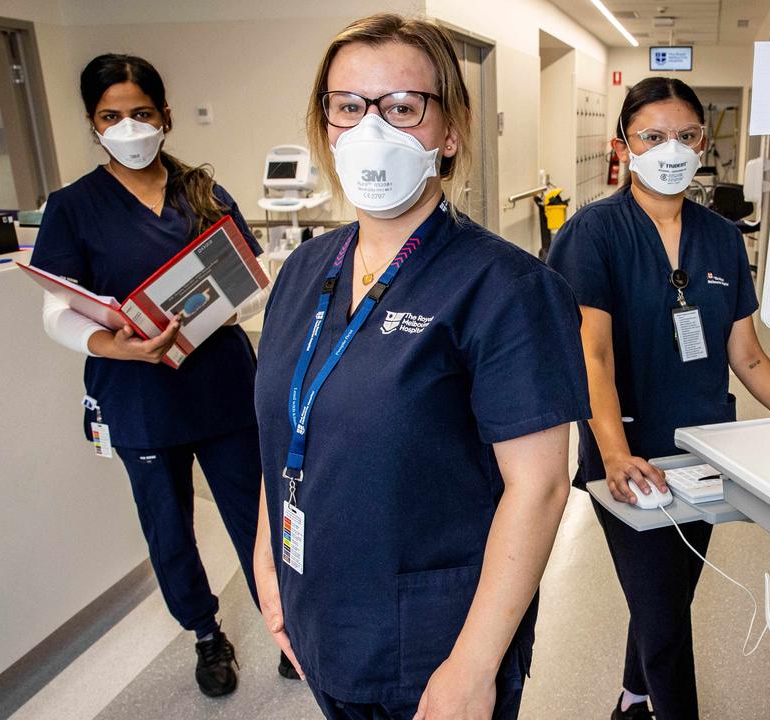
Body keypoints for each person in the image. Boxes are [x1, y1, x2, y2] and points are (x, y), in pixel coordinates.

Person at [252, 14, 590, 720]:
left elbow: (541, 488)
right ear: (326, 126)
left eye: (403, 108)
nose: (372, 130)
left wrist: (472, 666)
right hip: (320, 609)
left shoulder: (506, 287)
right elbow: (287, 429)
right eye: (349, 106)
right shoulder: (304, 271)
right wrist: (269, 560)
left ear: (451, 131)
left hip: (433, 641)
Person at [546, 77, 770, 720]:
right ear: (624, 146)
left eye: (687, 135)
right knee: (664, 615)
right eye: (653, 136)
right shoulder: (593, 235)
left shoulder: (722, 238)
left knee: (667, 594)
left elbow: (745, 354)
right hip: (630, 451)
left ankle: (633, 698)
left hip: (706, 447)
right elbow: (594, 356)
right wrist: (613, 454)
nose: (673, 149)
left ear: (703, 143)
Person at [30, 53, 292, 697]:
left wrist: (221, 305)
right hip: (138, 392)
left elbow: (251, 284)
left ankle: (287, 626)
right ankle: (206, 635)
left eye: (140, 113)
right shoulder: (71, 208)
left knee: (255, 512)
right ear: (93, 125)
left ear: (166, 117)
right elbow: (54, 310)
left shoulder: (203, 192)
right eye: (110, 116)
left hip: (222, 384)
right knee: (168, 524)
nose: (128, 127)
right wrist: (113, 346)